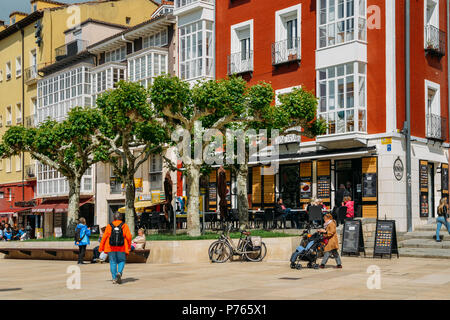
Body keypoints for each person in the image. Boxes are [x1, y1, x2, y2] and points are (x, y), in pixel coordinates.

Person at [99, 212, 132, 284]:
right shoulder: (124, 225)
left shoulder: (109, 226)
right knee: (121, 260)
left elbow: (104, 237)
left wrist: (101, 247)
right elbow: (129, 237)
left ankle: (114, 278)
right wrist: (129, 246)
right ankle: (119, 273)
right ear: (121, 218)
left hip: (111, 247)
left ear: (113, 218)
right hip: (121, 247)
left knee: (112, 262)